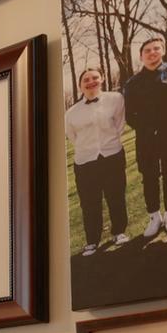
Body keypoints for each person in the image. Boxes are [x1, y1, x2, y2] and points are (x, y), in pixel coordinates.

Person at [125, 37, 167, 237]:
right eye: (147, 50)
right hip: (146, 139)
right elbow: (130, 115)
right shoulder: (133, 83)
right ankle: (154, 216)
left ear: (163, 50)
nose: (152, 53)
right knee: (149, 177)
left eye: (156, 49)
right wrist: (148, 128)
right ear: (141, 55)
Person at [65, 68, 129, 252]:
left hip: (112, 156)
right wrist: (90, 148)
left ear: (101, 79)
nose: (91, 81)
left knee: (116, 195)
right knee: (89, 202)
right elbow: (72, 136)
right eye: (86, 79)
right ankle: (92, 240)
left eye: (95, 77)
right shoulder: (71, 113)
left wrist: (109, 142)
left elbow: (120, 124)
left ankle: (119, 232)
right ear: (80, 85)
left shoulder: (116, 99)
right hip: (85, 162)